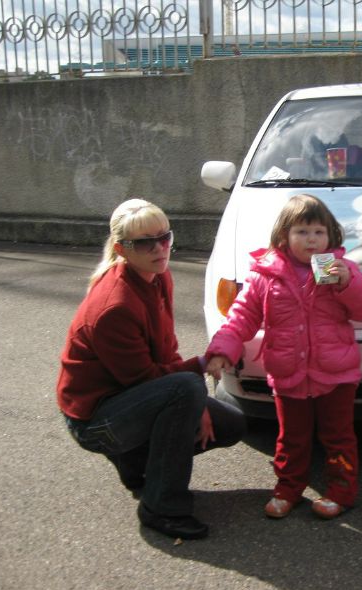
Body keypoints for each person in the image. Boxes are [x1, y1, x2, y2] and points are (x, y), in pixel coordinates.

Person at [56, 199, 247, 540]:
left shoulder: (156, 276)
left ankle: (136, 465)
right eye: (146, 242)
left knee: (230, 424)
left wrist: (195, 387)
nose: (160, 248)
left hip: (130, 399)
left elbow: (165, 350)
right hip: (95, 421)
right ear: (122, 249)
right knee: (186, 391)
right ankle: (162, 508)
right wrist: (197, 386)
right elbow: (148, 379)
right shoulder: (115, 306)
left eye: (165, 237)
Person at [205, 194, 362, 520]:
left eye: (318, 232)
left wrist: (347, 282)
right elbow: (241, 317)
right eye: (301, 232)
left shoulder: (340, 268)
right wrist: (221, 351)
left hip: (336, 374)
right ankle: (289, 489)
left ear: (331, 236)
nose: (311, 239)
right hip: (289, 374)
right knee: (291, 439)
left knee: (338, 437)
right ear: (284, 236)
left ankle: (342, 491)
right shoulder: (266, 274)